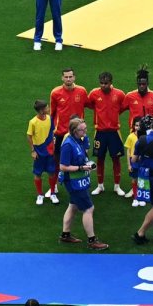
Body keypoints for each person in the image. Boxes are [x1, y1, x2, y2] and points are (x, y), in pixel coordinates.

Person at [58, 118, 108, 250]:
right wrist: (81, 168)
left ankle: (65, 235)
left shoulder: (78, 140)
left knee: (73, 206)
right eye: (83, 129)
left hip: (78, 180)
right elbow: (63, 166)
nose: (85, 131)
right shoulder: (68, 145)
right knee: (88, 209)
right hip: (73, 182)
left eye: (85, 128)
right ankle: (92, 240)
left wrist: (87, 165)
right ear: (75, 131)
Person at [87, 71, 127, 195]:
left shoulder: (119, 94)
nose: (103, 85)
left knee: (116, 159)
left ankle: (117, 186)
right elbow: (90, 105)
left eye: (106, 83)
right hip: (100, 132)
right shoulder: (94, 93)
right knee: (100, 158)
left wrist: (114, 115)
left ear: (111, 83)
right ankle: (100, 186)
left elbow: (123, 107)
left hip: (115, 132)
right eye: (101, 83)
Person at [26, 100, 58, 205]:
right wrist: (33, 150)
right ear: (41, 110)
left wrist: (53, 145)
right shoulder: (33, 122)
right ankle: (40, 195)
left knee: (52, 172)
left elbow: (52, 132)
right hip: (39, 153)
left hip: (49, 152)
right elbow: (29, 136)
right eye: (47, 107)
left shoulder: (49, 118)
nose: (49, 109)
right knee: (37, 173)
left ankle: (53, 193)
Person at [50, 68, 87, 145]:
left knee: (79, 152)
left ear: (74, 77)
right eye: (66, 77)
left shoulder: (82, 91)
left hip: (77, 131)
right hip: (60, 132)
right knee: (57, 152)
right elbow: (52, 113)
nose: (68, 79)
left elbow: (89, 104)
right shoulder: (55, 92)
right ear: (62, 78)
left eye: (70, 77)